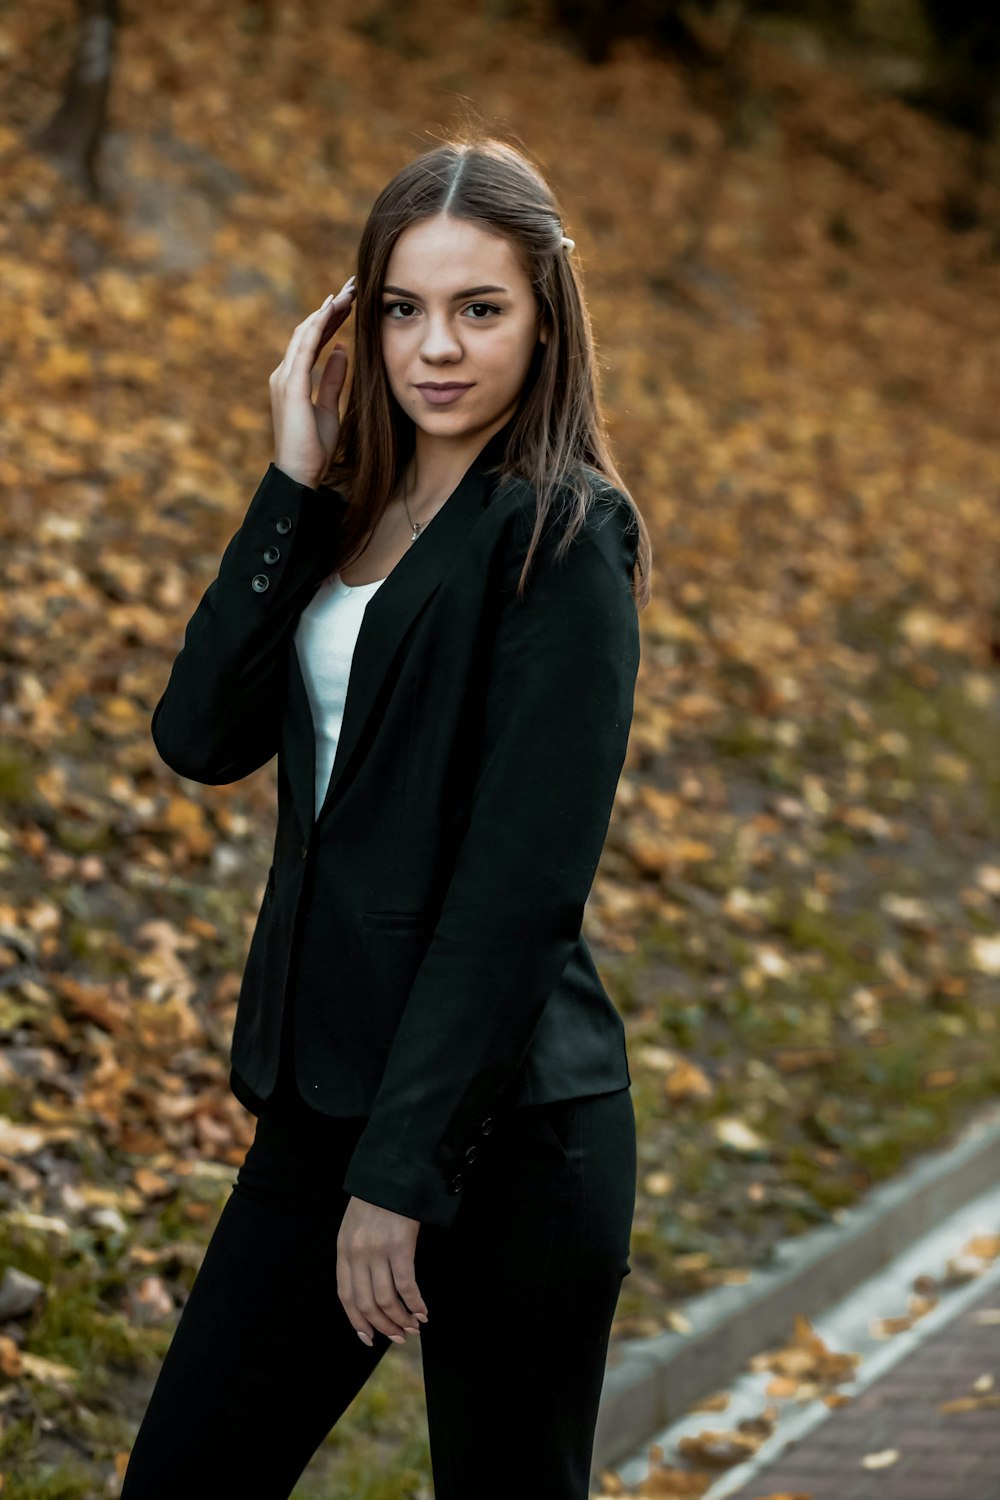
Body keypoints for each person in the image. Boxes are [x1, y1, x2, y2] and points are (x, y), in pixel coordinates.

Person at [122, 133, 652, 1500]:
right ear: (358, 317)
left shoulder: (562, 532)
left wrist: (403, 1177)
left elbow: (517, 892)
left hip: (508, 1134)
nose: (439, 349)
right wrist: (291, 481)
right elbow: (200, 736)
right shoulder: (348, 508)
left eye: (481, 310)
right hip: (324, 1106)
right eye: (406, 309)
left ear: (545, 319)